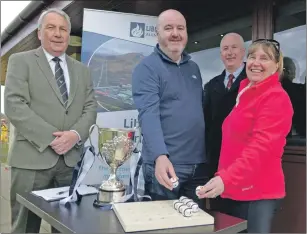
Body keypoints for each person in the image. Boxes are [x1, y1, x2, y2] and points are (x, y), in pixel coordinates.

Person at [4, 8, 97, 233]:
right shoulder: (20, 61)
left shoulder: (82, 71)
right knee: (25, 226)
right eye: (51, 28)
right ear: (39, 33)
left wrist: (74, 135)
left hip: (70, 163)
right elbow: (14, 105)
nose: (58, 34)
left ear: (68, 34)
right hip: (31, 162)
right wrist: (52, 138)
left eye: (63, 29)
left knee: (67, 225)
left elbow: (90, 106)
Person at [197, 39, 293, 233]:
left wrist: (225, 178)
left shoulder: (275, 98)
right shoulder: (247, 92)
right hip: (232, 190)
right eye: (252, 57)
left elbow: (261, 149)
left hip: (256, 195)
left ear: (276, 66)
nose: (256, 63)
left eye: (264, 58)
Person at [132, 9, 209, 208]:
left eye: (180, 28)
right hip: (166, 166)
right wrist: (159, 156)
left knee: (194, 227)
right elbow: (148, 115)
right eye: (168, 28)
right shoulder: (147, 68)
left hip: (197, 165)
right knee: (163, 227)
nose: (175, 33)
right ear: (157, 34)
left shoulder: (194, 68)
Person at [203, 32, 247, 212]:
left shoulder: (254, 82)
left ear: (243, 52)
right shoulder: (211, 86)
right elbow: (205, 125)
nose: (229, 53)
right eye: (225, 49)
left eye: (234, 48)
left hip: (243, 165)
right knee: (220, 220)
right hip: (217, 164)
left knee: (242, 222)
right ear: (221, 54)